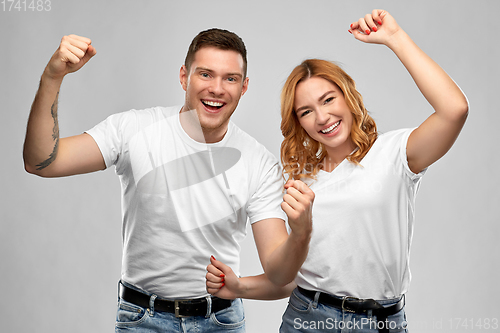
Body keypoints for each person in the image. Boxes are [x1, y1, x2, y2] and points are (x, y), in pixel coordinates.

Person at [23, 28, 314, 332]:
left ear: (244, 87)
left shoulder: (259, 163)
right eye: (205, 74)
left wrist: (302, 231)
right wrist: (52, 77)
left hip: (220, 321)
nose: (217, 88)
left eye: (230, 78)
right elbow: (42, 161)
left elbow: (280, 276)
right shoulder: (133, 129)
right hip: (141, 318)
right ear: (183, 76)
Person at [206, 10, 468, 332]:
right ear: (299, 122)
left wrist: (394, 38)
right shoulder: (300, 181)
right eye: (306, 111)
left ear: (348, 96)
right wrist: (239, 286)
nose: (322, 116)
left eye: (328, 99)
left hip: (382, 323)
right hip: (307, 319)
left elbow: (454, 110)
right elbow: (293, 277)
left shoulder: (395, 154)